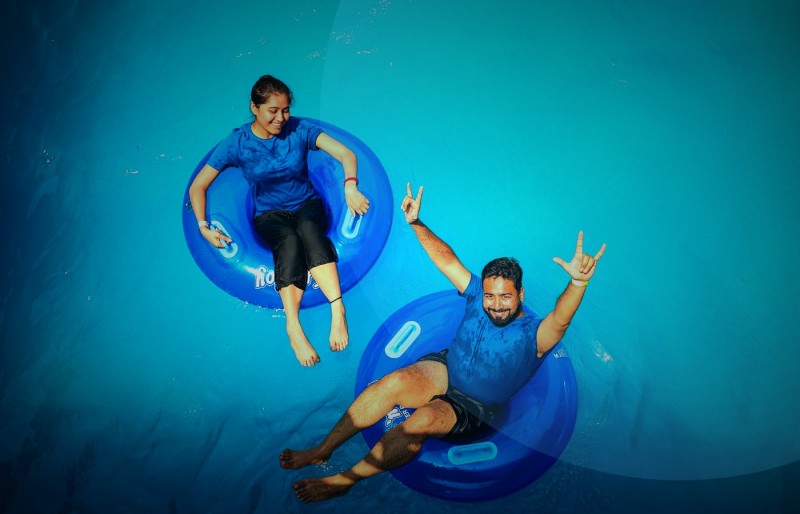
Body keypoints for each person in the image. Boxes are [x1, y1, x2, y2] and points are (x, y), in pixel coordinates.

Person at [280, 183, 607, 502]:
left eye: (505, 297)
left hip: (475, 406)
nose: (495, 305)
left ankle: (344, 481)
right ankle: (322, 449)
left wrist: (578, 282)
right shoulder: (477, 294)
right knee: (390, 384)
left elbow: (561, 319)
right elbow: (447, 259)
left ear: (520, 294)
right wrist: (416, 223)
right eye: (490, 296)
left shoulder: (535, 336)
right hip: (446, 368)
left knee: (420, 422)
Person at [189, 75, 370, 367]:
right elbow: (198, 186)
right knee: (288, 241)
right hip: (269, 215)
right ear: (255, 108)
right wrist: (203, 227)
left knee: (310, 231)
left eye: (285, 110)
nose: (281, 118)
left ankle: (338, 311)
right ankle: (293, 326)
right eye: (272, 111)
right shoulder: (237, 143)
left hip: (307, 204)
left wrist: (350, 185)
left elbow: (345, 153)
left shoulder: (299, 129)